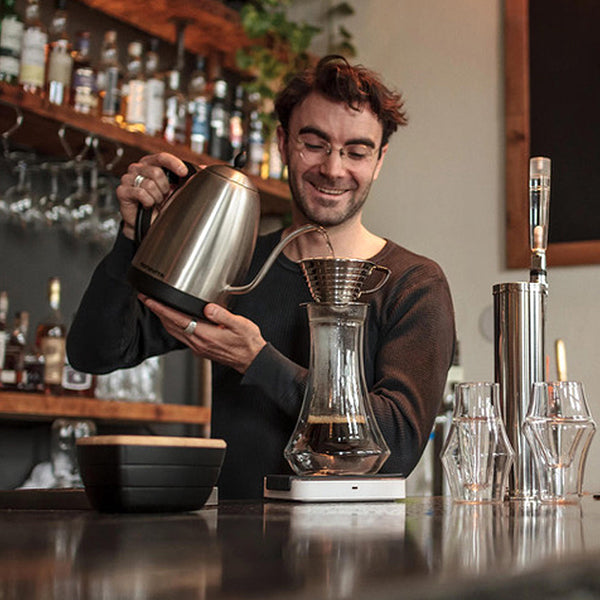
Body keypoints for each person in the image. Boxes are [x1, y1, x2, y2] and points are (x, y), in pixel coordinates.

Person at [67, 55, 456, 499]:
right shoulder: (238, 263)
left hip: (354, 558)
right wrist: (131, 236)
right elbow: (94, 352)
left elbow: (400, 444)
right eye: (315, 144)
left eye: (356, 151)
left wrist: (257, 361)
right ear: (282, 142)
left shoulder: (413, 283)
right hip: (233, 557)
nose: (333, 168)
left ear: (380, 158)